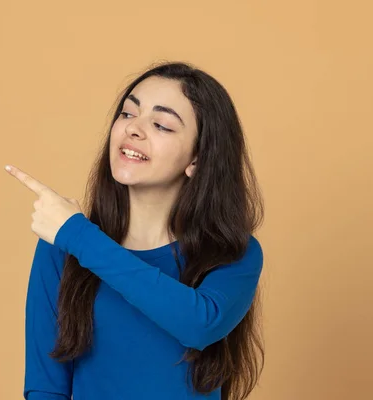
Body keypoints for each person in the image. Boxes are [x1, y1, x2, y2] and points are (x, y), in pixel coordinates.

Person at [21, 61, 265, 400]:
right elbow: (45, 385)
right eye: (127, 114)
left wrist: (79, 237)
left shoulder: (233, 253)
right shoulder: (61, 244)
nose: (133, 129)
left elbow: (200, 324)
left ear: (197, 159)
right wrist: (73, 238)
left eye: (162, 124)